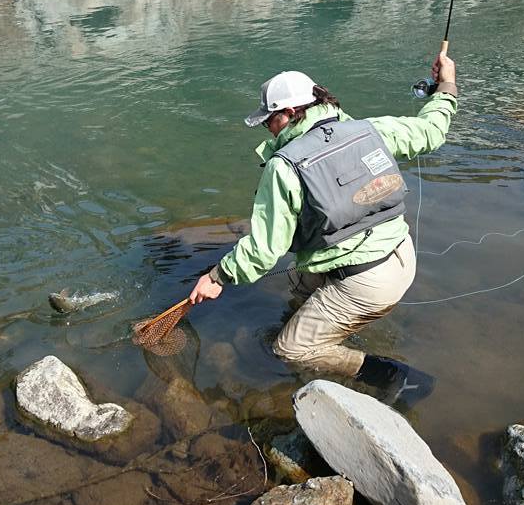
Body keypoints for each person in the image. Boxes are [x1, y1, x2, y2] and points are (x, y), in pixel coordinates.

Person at [188, 50, 458, 406]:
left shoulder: (284, 167)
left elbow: (264, 250)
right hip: (400, 257)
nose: (268, 127)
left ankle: (394, 376)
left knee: (289, 350)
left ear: (289, 113)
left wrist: (217, 276)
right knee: (297, 280)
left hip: (365, 283)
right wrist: (447, 85)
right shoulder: (368, 130)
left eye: (269, 119)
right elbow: (431, 131)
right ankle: (318, 323)